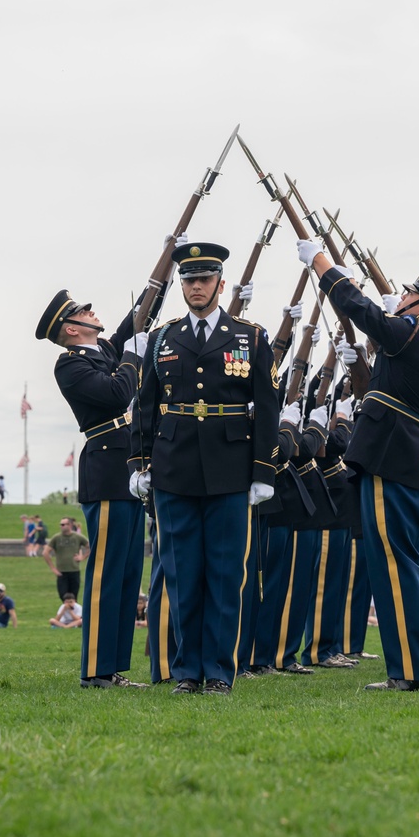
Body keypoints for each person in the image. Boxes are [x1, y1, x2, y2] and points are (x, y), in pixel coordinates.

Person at [301, 244, 419, 693]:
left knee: (396, 564)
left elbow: (361, 309)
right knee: (411, 564)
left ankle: (411, 672)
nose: (403, 296)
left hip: (393, 455)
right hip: (410, 456)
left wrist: (323, 266)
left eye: (410, 293)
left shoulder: (416, 331)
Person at [130, 242, 279, 694]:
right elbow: (146, 406)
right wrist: (140, 463)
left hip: (230, 467)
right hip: (174, 468)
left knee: (225, 573)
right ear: (181, 286)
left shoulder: (250, 336)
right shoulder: (162, 338)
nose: (196, 287)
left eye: (204, 279)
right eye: (189, 280)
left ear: (220, 283)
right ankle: (186, 672)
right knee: (181, 573)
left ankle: (218, 671)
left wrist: (263, 472)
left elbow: (269, 406)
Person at [37, 283, 147, 691]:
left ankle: (113, 669)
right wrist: (135, 353)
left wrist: (165, 269)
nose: (92, 311)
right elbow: (119, 393)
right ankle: (96, 671)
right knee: (106, 574)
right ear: (70, 329)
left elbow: (138, 319)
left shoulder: (102, 352)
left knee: (127, 574)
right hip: (106, 468)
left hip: (130, 466)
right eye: (84, 310)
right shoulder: (70, 365)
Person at [42, 516, 89, 603]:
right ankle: (67, 614)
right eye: (61, 525)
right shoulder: (56, 538)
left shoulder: (77, 537)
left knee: (74, 597)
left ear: (70, 525)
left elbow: (89, 547)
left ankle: (75, 615)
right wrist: (53, 568)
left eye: (64, 524)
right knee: (63, 596)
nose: (62, 526)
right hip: (61, 572)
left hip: (74, 571)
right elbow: (45, 553)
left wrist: (82, 557)